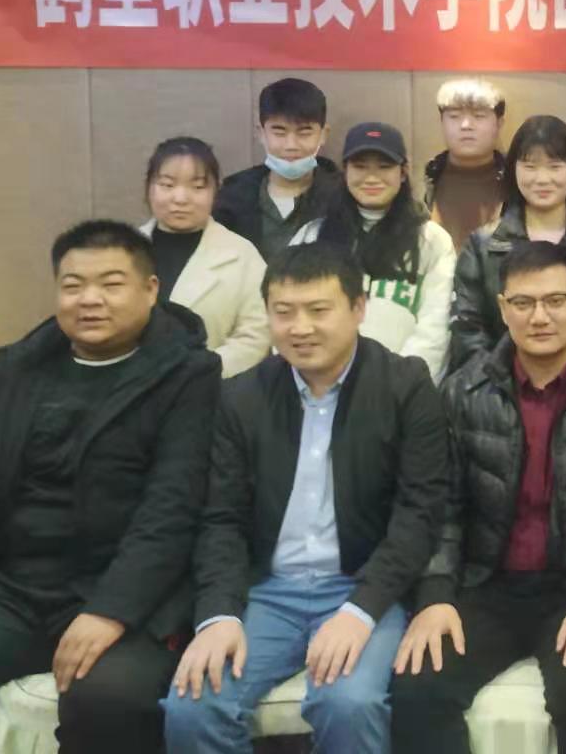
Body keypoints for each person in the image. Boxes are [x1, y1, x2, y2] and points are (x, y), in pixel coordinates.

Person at [163, 242, 450, 754]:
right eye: (284, 312)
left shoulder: (405, 386)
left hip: (362, 586)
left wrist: (361, 611)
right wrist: (218, 615)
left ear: (358, 308)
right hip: (268, 591)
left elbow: (419, 515)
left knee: (348, 703)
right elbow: (222, 519)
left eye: (319, 310)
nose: (300, 328)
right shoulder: (242, 396)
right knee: (194, 706)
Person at [390, 241, 566, 754]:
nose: (539, 317)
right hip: (487, 585)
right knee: (417, 687)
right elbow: (442, 507)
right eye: (523, 303)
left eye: (555, 300)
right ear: (502, 309)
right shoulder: (463, 392)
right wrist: (435, 595)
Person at [0, 220, 220, 754]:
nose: (90, 299)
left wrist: (110, 609)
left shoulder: (189, 375)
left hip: (128, 593)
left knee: (108, 699)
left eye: (111, 284)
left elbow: (173, 509)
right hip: (17, 588)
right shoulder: (16, 369)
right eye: (73, 285)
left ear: (151, 289)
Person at [449, 115, 566, 377]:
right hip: (499, 390)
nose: (542, 179)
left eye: (555, 166)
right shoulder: (482, 247)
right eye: (530, 166)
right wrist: (505, 385)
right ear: (514, 170)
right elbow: (468, 332)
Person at [290, 121, 456, 381]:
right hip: (320, 385)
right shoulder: (312, 236)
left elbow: (435, 330)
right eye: (360, 166)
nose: (371, 177)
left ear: (403, 172)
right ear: (345, 171)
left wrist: (401, 388)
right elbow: (287, 315)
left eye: (384, 166)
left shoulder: (433, 241)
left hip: (401, 389)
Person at [138, 136, 270, 377]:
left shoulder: (241, 255)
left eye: (197, 187)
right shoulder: (123, 250)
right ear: (149, 187)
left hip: (212, 388)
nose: (180, 198)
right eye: (167, 185)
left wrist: (197, 372)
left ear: (215, 191)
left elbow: (256, 336)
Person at [213, 77, 340, 261]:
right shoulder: (229, 198)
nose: (291, 145)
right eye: (279, 132)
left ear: (323, 134)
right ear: (261, 133)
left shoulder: (342, 196)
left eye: (304, 132)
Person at [423, 77, 507, 252]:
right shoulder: (425, 180)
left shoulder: (517, 180)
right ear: (441, 122)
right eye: (454, 116)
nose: (466, 125)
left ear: (499, 123)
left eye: (479, 116)